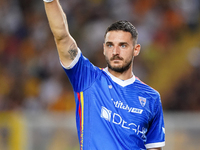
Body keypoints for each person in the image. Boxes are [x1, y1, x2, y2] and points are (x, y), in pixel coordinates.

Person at [43, 0, 165, 149]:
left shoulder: (151, 97)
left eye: (123, 45)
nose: (115, 52)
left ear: (136, 49)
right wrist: (50, 1)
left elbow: (154, 148)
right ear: (103, 48)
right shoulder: (88, 78)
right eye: (110, 45)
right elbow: (62, 36)